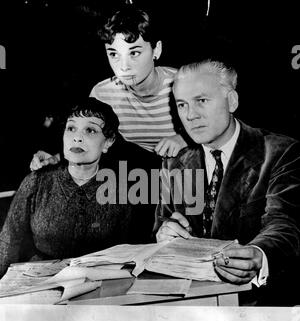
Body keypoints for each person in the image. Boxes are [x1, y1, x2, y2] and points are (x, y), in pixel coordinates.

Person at [154, 60, 300, 305]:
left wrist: (259, 255)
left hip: (261, 305)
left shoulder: (281, 152)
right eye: (182, 104)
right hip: (191, 305)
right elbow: (160, 227)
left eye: (201, 100)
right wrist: (164, 233)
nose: (190, 115)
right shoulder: (174, 163)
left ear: (232, 101)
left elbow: (285, 224)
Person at [0, 98, 155, 279]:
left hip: (103, 284)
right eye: (71, 128)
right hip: (40, 283)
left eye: (90, 130)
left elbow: (135, 253)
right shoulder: (37, 181)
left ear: (108, 142)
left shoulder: (123, 190)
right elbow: (8, 242)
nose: (77, 137)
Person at [29, 5, 188, 171]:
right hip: (136, 179)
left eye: (134, 53)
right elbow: (90, 141)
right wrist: (56, 158)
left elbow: (217, 130)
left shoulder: (184, 83)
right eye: (114, 54)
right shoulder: (102, 94)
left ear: (157, 49)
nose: (123, 67)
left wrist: (185, 139)